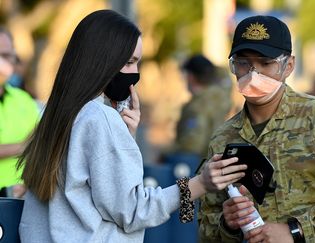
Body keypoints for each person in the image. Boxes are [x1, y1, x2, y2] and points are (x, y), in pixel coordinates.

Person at [17, 10, 246, 243]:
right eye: (128, 62)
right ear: (101, 61)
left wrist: (126, 137)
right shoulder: (100, 118)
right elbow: (133, 211)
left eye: (136, 63)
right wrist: (201, 183)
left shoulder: (57, 114)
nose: (134, 73)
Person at [198, 15, 315, 243]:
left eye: (266, 63)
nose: (253, 74)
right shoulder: (223, 139)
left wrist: (297, 231)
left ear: (289, 66)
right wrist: (229, 224)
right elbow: (207, 228)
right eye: (243, 63)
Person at [0, 27, 40, 198]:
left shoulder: (23, 99)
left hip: (21, 199)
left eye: (7, 55)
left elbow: (42, 141)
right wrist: (25, 146)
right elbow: (36, 143)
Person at [168, 54, 232, 159]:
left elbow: (192, 144)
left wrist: (166, 154)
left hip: (200, 165)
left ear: (191, 77)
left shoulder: (197, 107)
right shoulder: (221, 97)